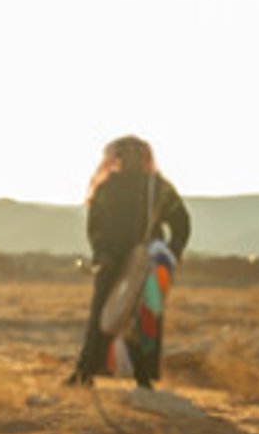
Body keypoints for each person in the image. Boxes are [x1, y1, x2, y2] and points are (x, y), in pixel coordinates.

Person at [69, 135, 190, 388]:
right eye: (124, 153)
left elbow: (181, 223)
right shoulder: (106, 189)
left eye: (136, 153)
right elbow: (96, 228)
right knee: (103, 317)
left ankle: (143, 378)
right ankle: (85, 372)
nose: (130, 158)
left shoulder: (158, 188)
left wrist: (169, 254)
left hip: (147, 264)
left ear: (144, 156)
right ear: (116, 157)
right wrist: (102, 253)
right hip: (110, 263)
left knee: (146, 319)